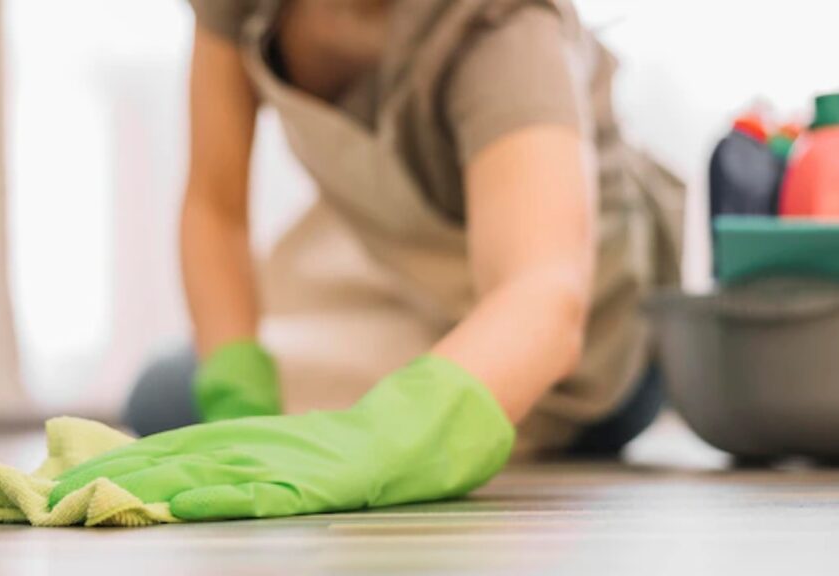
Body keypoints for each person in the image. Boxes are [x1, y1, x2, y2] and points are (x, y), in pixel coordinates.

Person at [49, 0, 684, 521]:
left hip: (582, 345)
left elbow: (545, 293)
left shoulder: (501, 26)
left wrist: (378, 440)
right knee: (169, 393)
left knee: (168, 403)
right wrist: (239, 400)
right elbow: (216, 209)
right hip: (422, 287)